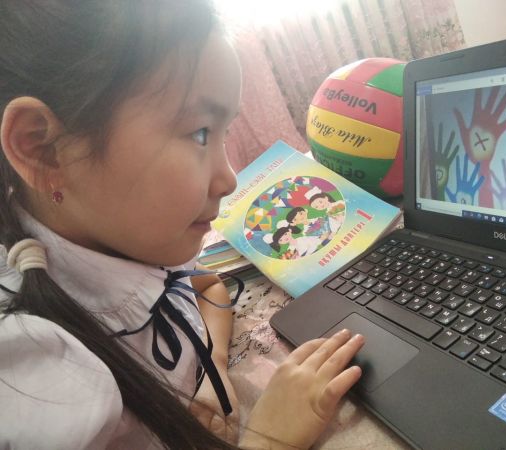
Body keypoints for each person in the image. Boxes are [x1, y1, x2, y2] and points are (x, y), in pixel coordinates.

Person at [0, 2, 364, 449]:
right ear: (43, 148)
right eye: (199, 133)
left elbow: (204, 286)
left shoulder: (130, 238)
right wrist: (270, 439)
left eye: (224, 134)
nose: (229, 179)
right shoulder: (36, 371)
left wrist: (213, 368)